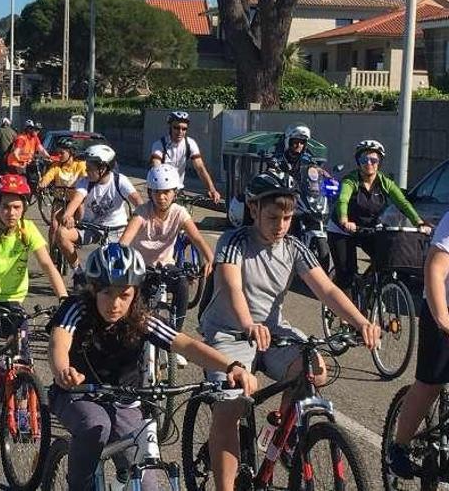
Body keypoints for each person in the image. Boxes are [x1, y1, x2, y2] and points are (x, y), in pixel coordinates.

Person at [197, 170, 380, 491]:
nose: (281, 225)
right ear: (253, 210)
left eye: (287, 217)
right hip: (230, 331)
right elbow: (231, 286)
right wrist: (247, 324)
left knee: (315, 369)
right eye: (273, 217)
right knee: (230, 407)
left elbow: (327, 290)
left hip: (273, 331)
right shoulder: (233, 241)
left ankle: (282, 429)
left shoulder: (294, 247)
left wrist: (360, 321)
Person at [48, 243, 257, 490]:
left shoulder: (141, 320)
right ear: (93, 289)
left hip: (125, 402)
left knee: (148, 482)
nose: (114, 304)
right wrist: (63, 370)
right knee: (96, 426)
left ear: (135, 294)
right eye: (106, 293)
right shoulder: (77, 309)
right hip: (77, 394)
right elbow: (59, 342)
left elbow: (186, 345)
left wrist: (232, 365)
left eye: (124, 295)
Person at [0, 174, 69, 396]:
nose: (12, 213)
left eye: (17, 207)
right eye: (6, 207)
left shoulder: (27, 230)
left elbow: (47, 264)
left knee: (22, 354)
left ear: (24, 208)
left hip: (12, 299)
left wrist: (64, 299)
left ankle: (23, 411)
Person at [386, 210, 449, 478]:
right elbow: (435, 268)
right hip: (442, 307)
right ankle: (398, 446)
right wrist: (443, 320)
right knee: (430, 382)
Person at [119, 164, 213, 333]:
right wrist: (121, 259)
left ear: (174, 193)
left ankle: (175, 334)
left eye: (166, 192)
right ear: (150, 192)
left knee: (182, 284)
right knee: (135, 314)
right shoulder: (142, 212)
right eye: (156, 192)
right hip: (140, 267)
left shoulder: (180, 212)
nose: (161, 197)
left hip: (165, 266)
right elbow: (125, 240)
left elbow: (197, 237)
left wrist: (210, 259)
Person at [328, 140, 428, 293]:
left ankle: (366, 289)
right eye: (364, 160)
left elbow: (403, 203)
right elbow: (343, 200)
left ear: (379, 162)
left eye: (374, 160)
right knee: (346, 275)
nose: (369, 163)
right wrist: (344, 220)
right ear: (358, 162)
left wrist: (419, 222)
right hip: (342, 230)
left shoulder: (385, 182)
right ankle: (341, 307)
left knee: (385, 259)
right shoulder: (351, 180)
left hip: (366, 229)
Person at [56, 144, 143, 287]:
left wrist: (142, 214)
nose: (86, 169)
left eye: (90, 167)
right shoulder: (85, 182)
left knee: (116, 268)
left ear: (103, 168)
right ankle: (78, 273)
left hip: (116, 229)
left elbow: (137, 200)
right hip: (91, 228)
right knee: (61, 233)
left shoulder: (119, 180)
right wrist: (68, 215)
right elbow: (77, 199)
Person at [150, 111, 221, 203]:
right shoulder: (159, 145)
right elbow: (156, 168)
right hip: (160, 190)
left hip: (177, 191)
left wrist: (212, 190)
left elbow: (200, 168)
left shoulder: (190, 143)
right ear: (170, 127)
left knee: (183, 216)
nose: (180, 132)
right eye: (176, 128)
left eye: (184, 129)